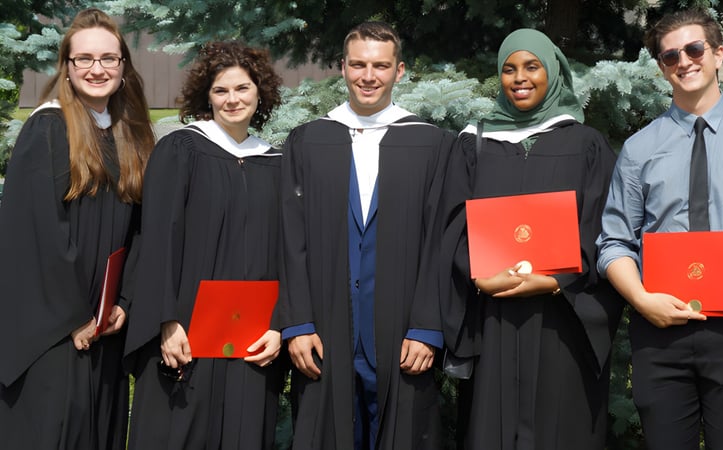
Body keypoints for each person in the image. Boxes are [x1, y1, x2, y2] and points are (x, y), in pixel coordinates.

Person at [596, 9, 723, 450]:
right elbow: (614, 242)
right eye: (670, 56)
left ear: (718, 54)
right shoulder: (638, 149)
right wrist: (642, 299)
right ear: (661, 67)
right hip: (659, 331)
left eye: (694, 49)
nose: (683, 61)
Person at [439, 28, 624, 449]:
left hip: (562, 319)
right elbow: (451, 224)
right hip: (492, 318)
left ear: (553, 71)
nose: (519, 78)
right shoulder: (475, 144)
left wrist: (559, 280)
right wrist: (477, 274)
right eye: (509, 69)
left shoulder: (585, 144)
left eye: (532, 66)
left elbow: (603, 225)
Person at [279, 21, 456, 450]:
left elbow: (443, 242)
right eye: (358, 64)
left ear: (400, 71)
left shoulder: (432, 145)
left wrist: (428, 327)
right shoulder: (308, 141)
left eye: (380, 65)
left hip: (402, 332)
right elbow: (290, 239)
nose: (368, 76)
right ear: (342, 68)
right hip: (325, 326)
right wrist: (297, 324)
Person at [0, 8, 154, 449]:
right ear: (66, 68)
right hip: (53, 329)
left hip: (103, 324)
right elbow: (36, 233)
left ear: (123, 66)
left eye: (108, 58)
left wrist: (124, 300)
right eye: (83, 59)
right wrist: (73, 316)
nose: (96, 69)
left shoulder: (129, 134)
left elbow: (141, 227)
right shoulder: (48, 129)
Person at [123, 41, 285, 449]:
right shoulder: (181, 151)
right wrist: (166, 320)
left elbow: (288, 253)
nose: (233, 99)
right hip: (188, 334)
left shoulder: (276, 164)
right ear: (206, 97)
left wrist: (280, 325)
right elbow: (156, 239)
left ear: (259, 92)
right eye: (221, 90)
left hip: (252, 339)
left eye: (243, 88)